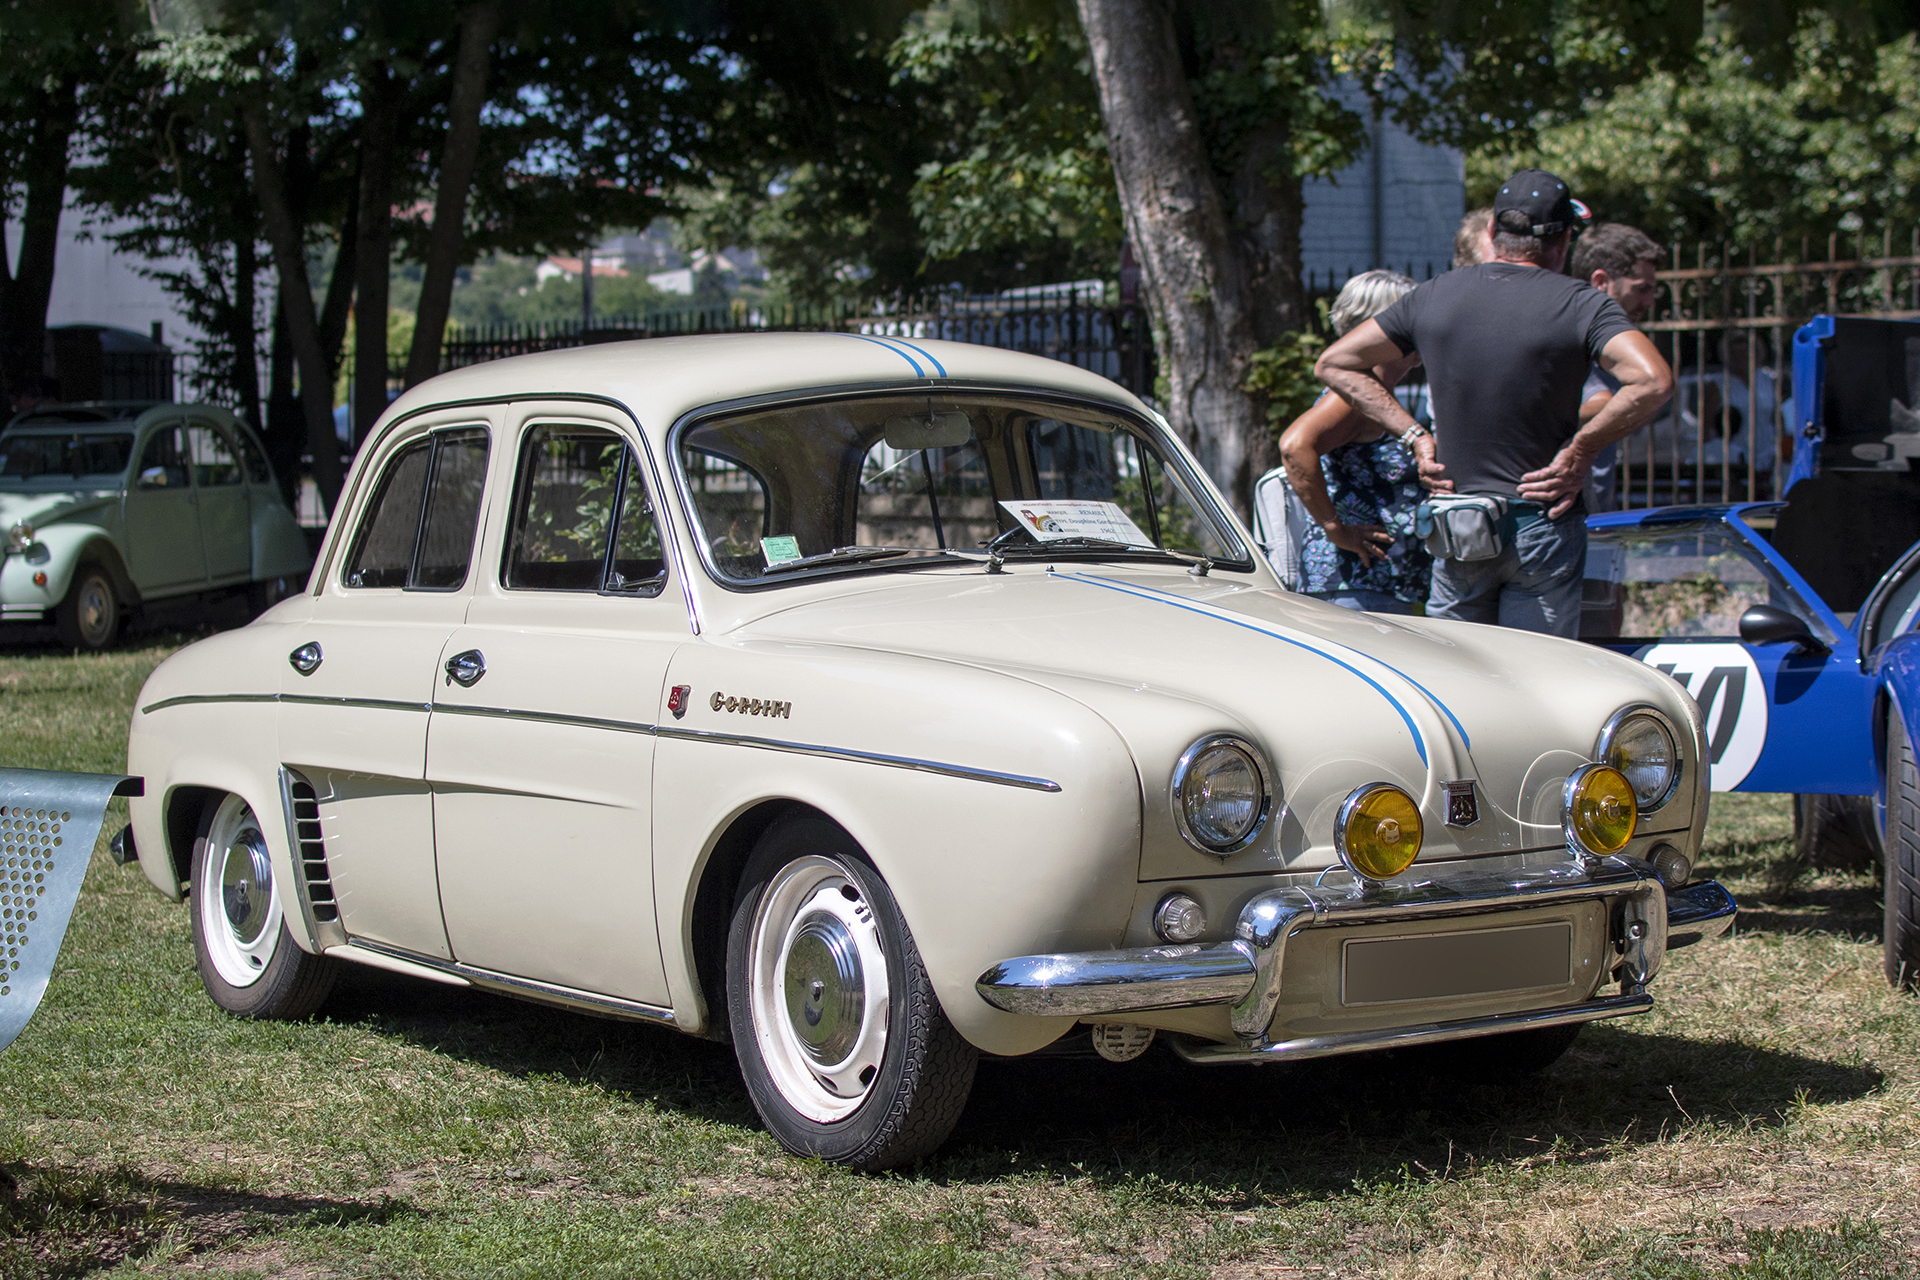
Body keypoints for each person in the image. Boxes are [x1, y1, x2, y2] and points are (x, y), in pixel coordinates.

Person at [1313, 168, 1675, 639]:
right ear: (1564, 240)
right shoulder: (1582, 303)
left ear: (1493, 232)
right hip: (1542, 522)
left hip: (1459, 521)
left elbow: (1335, 363)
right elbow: (1653, 381)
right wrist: (1582, 450)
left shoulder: (1437, 294)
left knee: (1459, 680)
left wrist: (1415, 436)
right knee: (1538, 680)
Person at [1278, 271, 1430, 614]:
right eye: (1407, 325)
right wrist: (1336, 529)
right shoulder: (1353, 395)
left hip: (1378, 585)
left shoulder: (1375, 394)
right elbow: (1295, 446)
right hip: (1357, 586)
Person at [1569, 222, 1662, 509]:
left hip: (1598, 516)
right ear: (1601, 282)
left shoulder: (1610, 349)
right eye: (1642, 289)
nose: (1649, 302)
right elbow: (1599, 403)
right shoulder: (1569, 338)